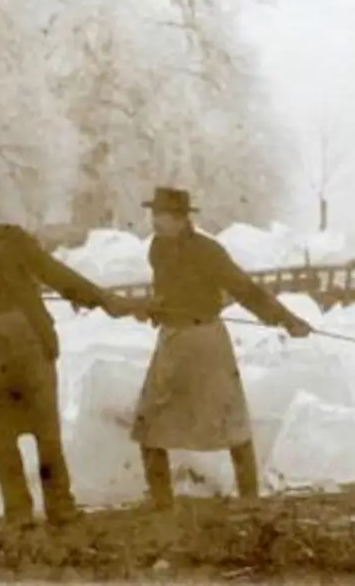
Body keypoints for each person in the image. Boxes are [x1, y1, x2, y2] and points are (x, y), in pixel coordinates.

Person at [0, 176, 133, 525]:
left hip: (29, 344)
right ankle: (19, 510)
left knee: (46, 429)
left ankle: (60, 506)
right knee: (2, 436)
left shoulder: (13, 240)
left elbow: (53, 272)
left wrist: (100, 299)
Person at [124, 187, 313, 512]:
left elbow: (245, 289)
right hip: (171, 341)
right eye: (154, 213)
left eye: (163, 215)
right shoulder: (157, 248)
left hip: (206, 342)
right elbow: (167, 292)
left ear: (181, 218)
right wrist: (154, 307)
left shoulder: (208, 251)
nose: (155, 221)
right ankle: (161, 501)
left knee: (230, 418)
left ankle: (249, 497)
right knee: (150, 421)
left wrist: (286, 319)